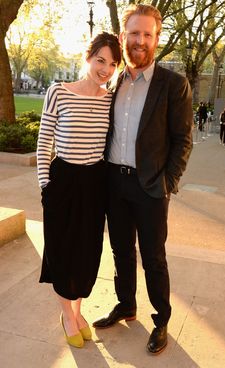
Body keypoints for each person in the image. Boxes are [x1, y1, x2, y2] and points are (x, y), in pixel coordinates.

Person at [92, 4, 193, 355]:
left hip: (151, 188)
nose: (140, 40)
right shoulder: (113, 81)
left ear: (157, 39)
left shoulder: (174, 85)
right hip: (114, 185)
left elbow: (183, 140)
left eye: (147, 34)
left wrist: (168, 183)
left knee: (153, 257)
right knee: (121, 251)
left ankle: (161, 318)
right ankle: (126, 305)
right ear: (124, 37)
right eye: (134, 33)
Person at [36, 32, 122, 348]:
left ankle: (78, 310)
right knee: (61, 251)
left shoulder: (110, 99)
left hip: (95, 183)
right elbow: (44, 142)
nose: (106, 69)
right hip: (63, 181)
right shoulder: (58, 91)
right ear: (87, 57)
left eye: (112, 64)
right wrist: (45, 185)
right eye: (101, 60)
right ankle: (67, 315)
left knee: (87, 252)